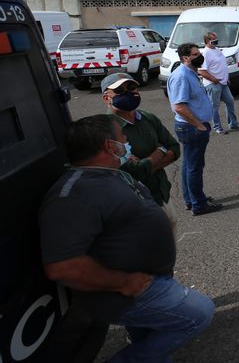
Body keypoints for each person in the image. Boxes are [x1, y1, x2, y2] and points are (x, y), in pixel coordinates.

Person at [40, 115, 215, 361]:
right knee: (200, 313)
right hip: (128, 291)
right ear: (110, 147)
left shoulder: (107, 172)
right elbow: (63, 266)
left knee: (150, 335)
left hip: (145, 280)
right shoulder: (72, 197)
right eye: (124, 139)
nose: (128, 143)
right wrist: (123, 282)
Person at [100, 73, 179, 208]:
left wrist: (146, 166)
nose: (128, 92)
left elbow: (175, 148)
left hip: (162, 195)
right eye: (119, 90)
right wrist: (160, 150)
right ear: (107, 98)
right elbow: (132, 171)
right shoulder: (105, 129)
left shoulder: (148, 117)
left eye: (131, 87)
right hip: (135, 204)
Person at [167, 43, 223, 215]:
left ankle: (192, 199)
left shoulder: (190, 73)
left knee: (189, 165)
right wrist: (199, 125)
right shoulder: (182, 76)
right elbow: (179, 106)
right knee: (194, 167)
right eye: (196, 54)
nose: (200, 55)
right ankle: (198, 204)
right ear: (185, 58)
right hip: (191, 127)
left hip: (193, 126)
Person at [199, 31, 239, 135]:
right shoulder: (205, 53)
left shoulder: (216, 50)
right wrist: (214, 80)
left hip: (223, 82)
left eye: (217, 39)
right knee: (214, 106)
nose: (216, 42)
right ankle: (217, 127)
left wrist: (226, 78)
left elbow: (221, 65)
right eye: (214, 40)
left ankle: (233, 123)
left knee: (230, 101)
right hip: (213, 84)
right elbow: (202, 71)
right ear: (207, 41)